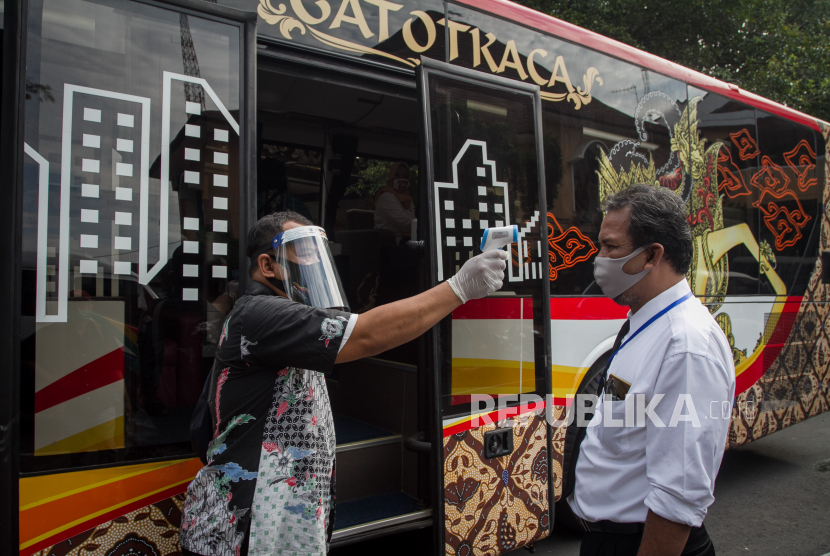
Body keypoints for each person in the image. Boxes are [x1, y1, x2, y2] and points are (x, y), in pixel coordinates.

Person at [179, 210, 508, 556]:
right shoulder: (260, 313)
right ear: (267, 265)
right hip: (236, 535)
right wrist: (458, 288)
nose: (315, 261)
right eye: (304, 251)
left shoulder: (288, 316)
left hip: (272, 532)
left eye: (318, 251)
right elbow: (365, 334)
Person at [568, 184, 735, 556]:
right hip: (610, 539)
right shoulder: (645, 323)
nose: (599, 259)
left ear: (652, 255)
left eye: (611, 247)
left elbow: (679, 494)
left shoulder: (686, 345)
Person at [374, 162, 414, 240]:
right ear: (391, 176)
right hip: (389, 245)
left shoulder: (408, 198)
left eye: (405, 176)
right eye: (397, 175)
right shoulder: (386, 197)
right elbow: (407, 225)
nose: (402, 178)